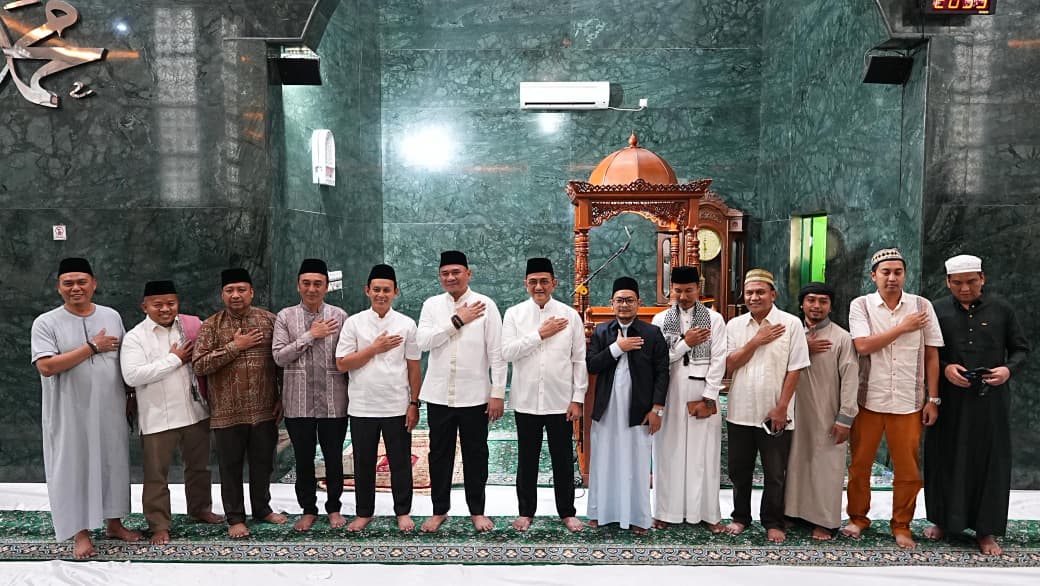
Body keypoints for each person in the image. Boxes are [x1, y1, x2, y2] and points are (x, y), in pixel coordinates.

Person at [30, 257, 142, 558]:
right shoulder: (46, 322)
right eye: (68, 283)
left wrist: (130, 395)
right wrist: (91, 347)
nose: (75, 288)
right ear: (59, 287)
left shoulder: (111, 315)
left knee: (112, 463)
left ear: (94, 284)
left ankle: (114, 523)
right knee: (74, 467)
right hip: (69, 412)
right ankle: (80, 533)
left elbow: (124, 360)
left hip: (110, 407)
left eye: (82, 282)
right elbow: (46, 367)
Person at [924, 254, 1030, 555]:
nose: (965, 288)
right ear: (948, 282)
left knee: (989, 461)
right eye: (957, 283)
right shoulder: (937, 310)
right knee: (945, 457)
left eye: (971, 281)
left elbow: (1021, 349)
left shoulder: (1002, 309)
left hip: (990, 400)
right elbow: (926, 353)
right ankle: (943, 521)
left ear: (982, 278)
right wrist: (946, 368)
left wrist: (1007, 369)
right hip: (948, 400)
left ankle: (986, 530)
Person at [842, 248, 944, 549]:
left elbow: (932, 354)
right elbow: (862, 346)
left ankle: (901, 524)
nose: (892, 278)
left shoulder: (921, 305)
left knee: (908, 470)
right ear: (873, 276)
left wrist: (933, 399)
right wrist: (903, 327)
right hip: (869, 400)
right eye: (885, 272)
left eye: (897, 272)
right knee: (860, 466)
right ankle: (858, 518)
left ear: (905, 275)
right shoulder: (861, 305)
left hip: (908, 402)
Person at [121, 280, 223, 545]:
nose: (165, 309)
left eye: (171, 303)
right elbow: (133, 376)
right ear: (145, 307)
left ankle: (200, 508)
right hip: (157, 417)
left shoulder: (191, 327)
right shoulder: (135, 337)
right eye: (158, 304)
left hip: (195, 411)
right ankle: (159, 525)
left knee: (199, 467)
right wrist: (174, 359)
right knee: (156, 475)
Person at [193, 268, 287, 538]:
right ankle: (235, 517)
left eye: (241, 290)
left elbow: (281, 363)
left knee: (263, 464)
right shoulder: (211, 326)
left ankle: (262, 509)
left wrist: (282, 397)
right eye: (230, 290)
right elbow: (199, 365)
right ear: (222, 294)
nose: (236, 295)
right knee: (230, 467)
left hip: (264, 410)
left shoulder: (269, 321)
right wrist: (236, 346)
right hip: (227, 412)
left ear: (251, 292)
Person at [416, 251, 506, 532]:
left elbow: (497, 353)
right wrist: (457, 320)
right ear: (440, 277)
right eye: (445, 273)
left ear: (469, 273)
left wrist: (498, 392)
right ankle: (439, 510)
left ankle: (477, 511)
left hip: (475, 395)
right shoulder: (431, 305)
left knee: (476, 454)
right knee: (439, 454)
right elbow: (423, 342)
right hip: (439, 395)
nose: (450, 277)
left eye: (456, 272)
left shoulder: (486, 305)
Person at [724, 268, 810, 544]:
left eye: (760, 292)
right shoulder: (734, 326)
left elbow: (795, 369)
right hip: (740, 411)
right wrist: (756, 341)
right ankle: (740, 517)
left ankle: (773, 521)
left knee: (775, 473)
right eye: (749, 293)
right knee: (739, 471)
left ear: (773, 294)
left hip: (776, 413)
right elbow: (730, 364)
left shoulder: (791, 324)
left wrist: (782, 407)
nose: (754, 297)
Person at [501, 258, 587, 532]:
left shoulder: (570, 315)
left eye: (544, 281)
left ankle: (567, 512)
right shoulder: (514, 314)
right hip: (526, 400)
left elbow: (579, 360)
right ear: (525, 284)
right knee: (527, 459)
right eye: (533, 282)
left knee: (563, 459)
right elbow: (507, 352)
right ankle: (526, 512)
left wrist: (578, 398)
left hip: (560, 401)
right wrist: (539, 334)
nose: (539, 287)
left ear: (554, 283)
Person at [336, 263, 422, 532]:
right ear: (367, 291)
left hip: (396, 405)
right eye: (376, 290)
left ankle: (403, 511)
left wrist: (414, 403)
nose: (381, 294)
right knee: (363, 463)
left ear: (396, 292)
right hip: (362, 406)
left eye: (386, 290)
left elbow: (414, 366)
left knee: (400, 462)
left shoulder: (406, 324)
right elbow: (342, 363)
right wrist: (375, 348)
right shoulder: (354, 323)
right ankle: (364, 512)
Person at [586, 276, 669, 534]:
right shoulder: (602, 332)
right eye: (619, 300)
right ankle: (600, 512)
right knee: (604, 459)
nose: (624, 305)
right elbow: (592, 365)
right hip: (607, 408)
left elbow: (662, 373)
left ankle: (637, 517)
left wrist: (656, 409)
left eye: (629, 300)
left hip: (639, 409)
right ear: (611, 303)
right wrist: (617, 348)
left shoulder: (652, 333)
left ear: (638, 303)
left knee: (636, 462)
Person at [273, 259, 349, 531]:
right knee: (303, 458)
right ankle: (308, 509)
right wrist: (310, 335)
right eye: (306, 283)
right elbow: (279, 357)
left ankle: (334, 508)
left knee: (333, 457)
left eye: (318, 284)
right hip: (298, 402)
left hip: (334, 400)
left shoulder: (340, 316)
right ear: (298, 285)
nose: (312, 289)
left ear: (326, 287)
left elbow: (347, 357)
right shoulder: (285, 317)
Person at [650, 265, 727, 531]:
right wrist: (686, 343)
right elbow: (660, 359)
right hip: (671, 391)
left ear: (698, 289)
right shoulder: (660, 320)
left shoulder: (715, 319)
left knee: (703, 454)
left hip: (702, 391)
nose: (683, 296)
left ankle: (707, 514)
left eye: (689, 290)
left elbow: (719, 359)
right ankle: (665, 512)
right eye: (678, 291)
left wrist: (709, 396)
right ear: (671, 290)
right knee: (668, 451)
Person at [783, 282, 858, 540]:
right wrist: (803, 346)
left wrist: (845, 418)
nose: (816, 306)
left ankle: (825, 521)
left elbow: (850, 379)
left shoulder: (842, 338)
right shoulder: (791, 333)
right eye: (811, 300)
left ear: (831, 306)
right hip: (794, 410)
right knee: (795, 462)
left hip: (827, 412)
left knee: (826, 465)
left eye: (823, 301)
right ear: (802, 304)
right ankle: (793, 513)